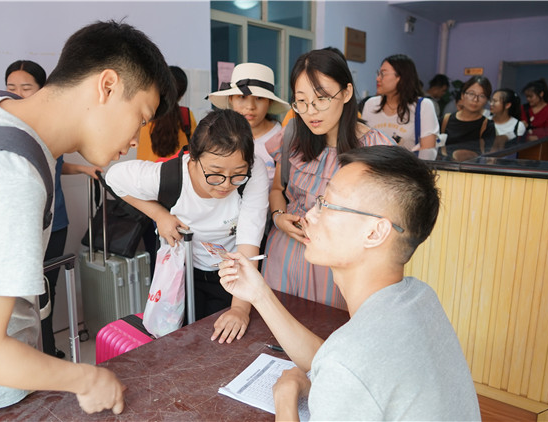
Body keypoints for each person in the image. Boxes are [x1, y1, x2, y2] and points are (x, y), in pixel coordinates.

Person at [0, 20, 176, 420]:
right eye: (141, 117)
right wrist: (86, 379)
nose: (135, 139)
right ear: (107, 86)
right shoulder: (8, 176)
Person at [218, 145, 481, 420]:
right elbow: (335, 360)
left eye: (326, 205)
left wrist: (285, 398)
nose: (309, 215)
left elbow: (346, 365)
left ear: (375, 233)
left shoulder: (348, 363)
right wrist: (259, 293)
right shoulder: (419, 296)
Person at [105, 108, 269, 343]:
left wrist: (240, 309)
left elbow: (249, 242)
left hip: (232, 273)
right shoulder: (169, 177)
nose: (225, 184)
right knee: (183, 340)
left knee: (227, 340)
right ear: (193, 158)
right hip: (183, 271)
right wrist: (159, 214)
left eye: (237, 175)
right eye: (215, 173)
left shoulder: (254, 172)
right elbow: (113, 177)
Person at [262, 48, 395, 310]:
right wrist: (279, 217)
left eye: (321, 99)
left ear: (346, 93)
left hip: (336, 267)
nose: (310, 111)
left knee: (326, 331)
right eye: (301, 101)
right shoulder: (293, 136)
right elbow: (277, 188)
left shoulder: (376, 148)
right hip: (284, 254)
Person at [4, 59, 103, 360]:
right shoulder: (8, 128)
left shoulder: (50, 125)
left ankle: (48, 350)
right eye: (11, 87)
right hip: (26, 226)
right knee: (26, 294)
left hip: (56, 222)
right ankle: (36, 354)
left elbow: (55, 165)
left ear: (43, 89)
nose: (17, 93)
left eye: (26, 87)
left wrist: (83, 169)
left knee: (50, 289)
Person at [207, 62, 290, 185]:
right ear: (231, 99)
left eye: (259, 98)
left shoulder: (282, 138)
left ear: (270, 102)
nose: (250, 106)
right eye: (242, 97)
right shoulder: (219, 135)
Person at [361, 54, 439, 160]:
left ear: (401, 77)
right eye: (378, 74)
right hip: (373, 167)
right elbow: (362, 145)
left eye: (383, 74)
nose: (378, 78)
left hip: (407, 168)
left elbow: (428, 152)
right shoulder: (370, 104)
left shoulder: (423, 106)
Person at [136, 65, 197, 162]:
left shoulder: (146, 113)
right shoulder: (187, 115)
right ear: (182, 95)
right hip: (177, 170)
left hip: (146, 170)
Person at [440, 75, 495, 161]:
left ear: (486, 100)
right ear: (462, 95)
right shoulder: (445, 120)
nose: (475, 100)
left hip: (471, 168)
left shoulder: (487, 126)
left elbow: (488, 156)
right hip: (445, 168)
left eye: (482, 96)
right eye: (471, 94)